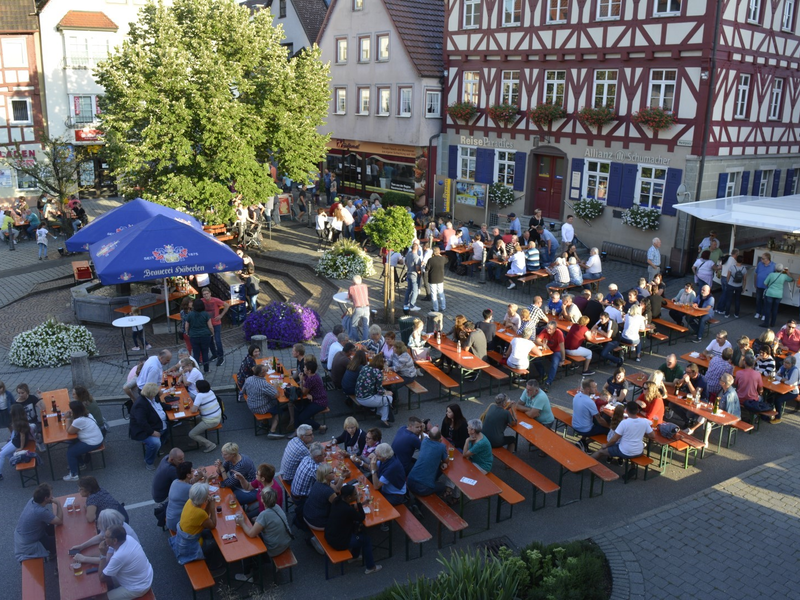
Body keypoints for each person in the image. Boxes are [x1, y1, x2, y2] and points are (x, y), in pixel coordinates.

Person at [325, 484, 382, 575]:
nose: (357, 495)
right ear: (348, 497)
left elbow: (350, 508)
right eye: (355, 495)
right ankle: (371, 567)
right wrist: (359, 502)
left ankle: (354, 556)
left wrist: (362, 504)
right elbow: (361, 517)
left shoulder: (337, 501)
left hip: (330, 535)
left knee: (360, 532)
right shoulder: (347, 510)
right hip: (339, 542)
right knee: (366, 540)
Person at [591, 401, 655, 474]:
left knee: (600, 451)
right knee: (630, 448)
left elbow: (614, 439)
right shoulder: (644, 422)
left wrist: (606, 445)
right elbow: (652, 436)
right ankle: (632, 467)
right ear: (637, 410)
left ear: (626, 411)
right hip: (639, 451)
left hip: (625, 451)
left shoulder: (624, 423)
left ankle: (587, 463)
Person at [170, 483, 222, 568]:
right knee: (217, 543)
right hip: (191, 545)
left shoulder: (189, 502)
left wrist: (208, 503)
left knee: (209, 533)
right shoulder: (199, 513)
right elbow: (213, 525)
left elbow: (203, 516)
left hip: (184, 537)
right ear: (203, 499)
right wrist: (212, 507)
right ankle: (213, 566)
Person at [236, 488, 293, 558]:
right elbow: (271, 520)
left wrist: (242, 523)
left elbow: (251, 534)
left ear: (262, 500)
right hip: (286, 542)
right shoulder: (277, 507)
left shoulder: (264, 515)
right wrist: (258, 520)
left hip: (274, 549)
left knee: (248, 538)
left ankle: (255, 561)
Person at [14, 483, 62, 562]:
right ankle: (56, 558)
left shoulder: (32, 500)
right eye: (51, 495)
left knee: (54, 528)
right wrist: (58, 504)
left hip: (24, 535)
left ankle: (53, 552)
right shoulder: (40, 511)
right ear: (46, 498)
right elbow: (59, 521)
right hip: (28, 543)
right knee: (58, 541)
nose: (52, 497)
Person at [129, 382, 171, 471]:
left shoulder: (152, 398)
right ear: (152, 393)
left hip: (156, 425)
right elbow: (141, 423)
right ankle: (149, 462)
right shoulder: (140, 405)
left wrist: (171, 406)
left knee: (168, 429)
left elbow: (160, 405)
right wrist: (152, 432)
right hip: (143, 431)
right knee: (155, 443)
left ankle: (156, 450)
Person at [62, 400, 104, 481]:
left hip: (92, 442)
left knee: (70, 453)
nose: (69, 410)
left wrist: (67, 418)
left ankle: (74, 475)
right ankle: (81, 464)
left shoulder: (79, 421)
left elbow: (69, 431)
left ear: (75, 411)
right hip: (97, 438)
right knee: (72, 445)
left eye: (71, 409)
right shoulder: (88, 414)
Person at [239, 365, 284, 439]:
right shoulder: (263, 384)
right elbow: (276, 395)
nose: (266, 372)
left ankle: (264, 423)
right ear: (260, 374)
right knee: (279, 408)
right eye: (265, 371)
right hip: (260, 408)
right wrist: (275, 387)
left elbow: (243, 391)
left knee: (266, 399)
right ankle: (272, 431)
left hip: (251, 404)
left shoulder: (249, 379)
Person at [71, 509, 139, 556]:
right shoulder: (116, 524)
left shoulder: (117, 536)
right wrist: (81, 546)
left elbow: (107, 559)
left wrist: (84, 558)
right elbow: (100, 537)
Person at [291, 443, 325, 528]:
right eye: (323, 454)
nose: (325, 455)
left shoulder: (307, 458)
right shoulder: (314, 469)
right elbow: (326, 483)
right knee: (325, 497)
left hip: (295, 491)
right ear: (317, 457)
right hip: (301, 499)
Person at [355, 354, 394, 427]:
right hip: (366, 399)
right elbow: (380, 390)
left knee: (383, 397)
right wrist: (387, 392)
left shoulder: (365, 367)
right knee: (389, 398)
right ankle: (384, 419)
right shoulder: (378, 372)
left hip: (358, 395)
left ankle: (379, 413)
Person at [572, 379, 609, 451]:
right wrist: (609, 426)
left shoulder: (576, 396)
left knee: (593, 421)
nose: (596, 389)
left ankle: (582, 441)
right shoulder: (590, 402)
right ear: (588, 389)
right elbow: (600, 420)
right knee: (607, 430)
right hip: (585, 429)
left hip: (575, 424)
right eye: (594, 387)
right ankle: (584, 442)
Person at [188, 380, 222, 453]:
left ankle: (209, 444)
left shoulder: (200, 395)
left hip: (210, 421)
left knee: (191, 434)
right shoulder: (211, 392)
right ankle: (197, 442)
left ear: (199, 388)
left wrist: (189, 407)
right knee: (192, 421)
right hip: (217, 417)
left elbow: (194, 410)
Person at [165, 462, 199, 532]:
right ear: (188, 475)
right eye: (192, 471)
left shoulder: (175, 482)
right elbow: (202, 496)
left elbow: (190, 484)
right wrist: (206, 480)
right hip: (178, 524)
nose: (194, 471)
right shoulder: (189, 488)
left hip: (170, 520)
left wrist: (199, 477)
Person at [296, 360, 329, 432]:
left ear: (309, 371)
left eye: (305, 368)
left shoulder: (311, 379)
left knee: (302, 418)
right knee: (298, 407)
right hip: (316, 399)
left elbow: (303, 391)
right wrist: (307, 393)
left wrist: (301, 380)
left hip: (319, 402)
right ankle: (297, 428)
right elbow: (306, 389)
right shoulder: (312, 376)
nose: (303, 369)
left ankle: (321, 427)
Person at [201, 288, 229, 367]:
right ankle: (214, 354)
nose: (206, 295)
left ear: (210, 293)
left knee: (217, 340)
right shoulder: (201, 301)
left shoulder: (215, 300)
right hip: (207, 324)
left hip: (216, 324)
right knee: (209, 341)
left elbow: (227, 305)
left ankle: (221, 357)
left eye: (207, 293)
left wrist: (221, 315)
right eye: (204, 294)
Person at [185, 298, 214, 373]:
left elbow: (187, 326)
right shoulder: (205, 314)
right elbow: (210, 326)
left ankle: (196, 370)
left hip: (194, 336)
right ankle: (206, 369)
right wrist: (212, 332)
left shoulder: (190, 314)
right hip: (205, 335)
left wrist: (187, 332)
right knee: (205, 353)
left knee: (196, 353)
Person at [535, 320, 565, 392]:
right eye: (547, 328)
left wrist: (563, 360)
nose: (548, 330)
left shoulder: (559, 333)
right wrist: (543, 345)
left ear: (555, 329)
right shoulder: (545, 330)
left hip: (556, 351)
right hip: (547, 350)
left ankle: (548, 382)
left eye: (550, 329)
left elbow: (562, 348)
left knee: (554, 364)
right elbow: (537, 340)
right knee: (535, 359)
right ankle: (543, 374)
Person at [762, 264, 793, 328]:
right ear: (782, 269)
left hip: (770, 293)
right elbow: (791, 279)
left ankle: (766, 323)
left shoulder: (771, 274)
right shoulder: (784, 276)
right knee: (775, 309)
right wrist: (787, 272)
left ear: (775, 269)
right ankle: (772, 324)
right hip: (778, 294)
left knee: (768, 309)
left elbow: (765, 283)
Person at [772, 356, 799, 423]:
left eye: (787, 363)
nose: (785, 364)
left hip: (792, 392)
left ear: (792, 364)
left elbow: (791, 382)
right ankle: (772, 411)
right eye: (784, 362)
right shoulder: (783, 367)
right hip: (782, 388)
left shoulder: (795, 370)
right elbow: (776, 376)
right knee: (771, 395)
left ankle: (778, 418)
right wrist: (782, 379)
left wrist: (781, 379)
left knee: (778, 399)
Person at [426, 246, 449, 312]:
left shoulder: (430, 260)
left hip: (432, 279)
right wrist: (440, 255)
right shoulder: (443, 259)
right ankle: (443, 307)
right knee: (441, 293)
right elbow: (447, 261)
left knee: (434, 294)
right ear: (439, 252)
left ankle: (436, 308)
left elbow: (426, 269)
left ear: (433, 252)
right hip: (440, 278)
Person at [348, 274, 371, 340]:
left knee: (354, 325)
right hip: (367, 307)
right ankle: (365, 342)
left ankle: (357, 341)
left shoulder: (351, 288)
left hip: (358, 308)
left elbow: (349, 297)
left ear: (353, 281)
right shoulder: (365, 286)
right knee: (365, 326)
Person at [754, 252, 775, 321]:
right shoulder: (760, 264)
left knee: (766, 301)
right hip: (759, 285)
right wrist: (755, 282)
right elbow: (756, 273)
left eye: (763, 259)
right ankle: (758, 312)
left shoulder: (773, 265)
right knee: (758, 299)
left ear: (767, 259)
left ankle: (764, 314)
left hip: (768, 287)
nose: (761, 260)